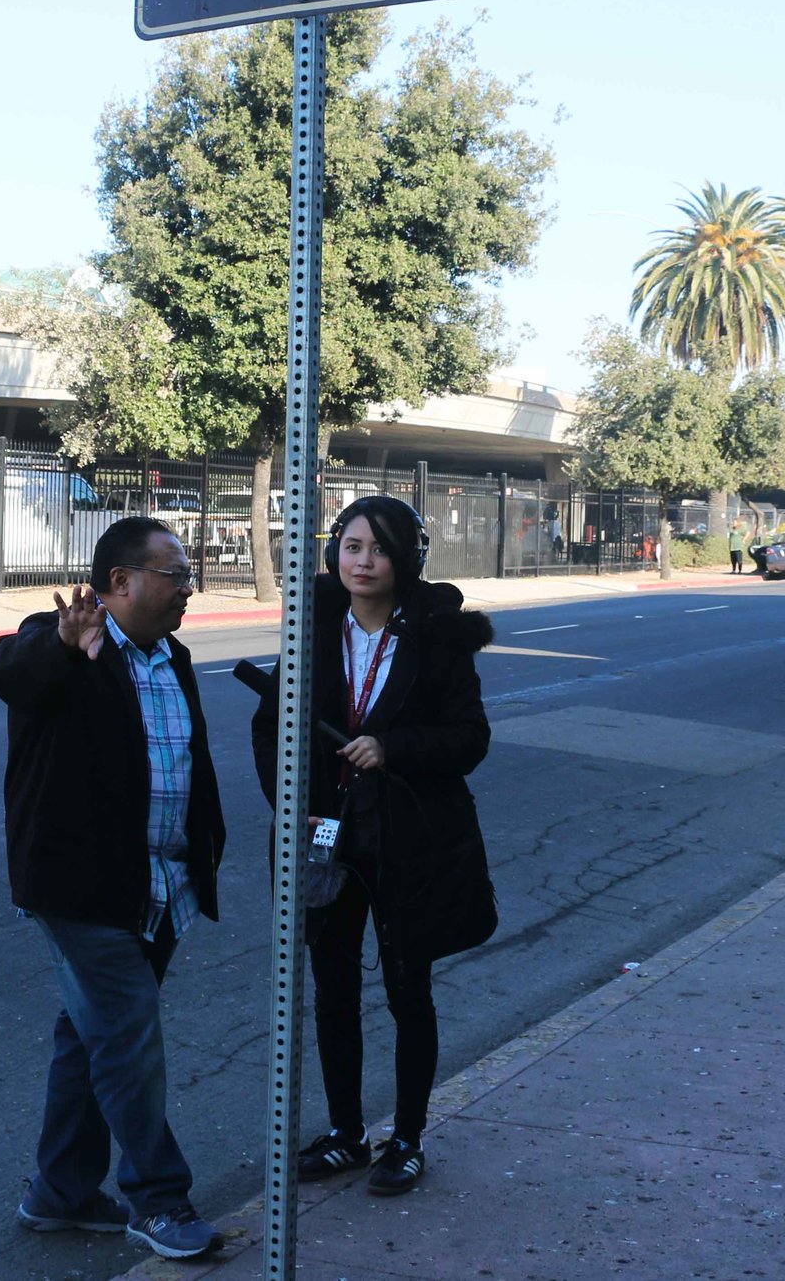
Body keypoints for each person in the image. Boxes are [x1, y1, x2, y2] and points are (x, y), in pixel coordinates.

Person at [0, 517, 228, 1262]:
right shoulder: (61, 642)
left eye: (189, 573)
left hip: (159, 884)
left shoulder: (172, 655)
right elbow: (11, 671)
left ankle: (58, 1191)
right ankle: (157, 1198)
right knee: (126, 1034)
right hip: (82, 888)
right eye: (175, 572)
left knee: (88, 1034)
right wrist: (62, 641)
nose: (189, 585)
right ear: (120, 582)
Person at [245, 495, 496, 1197]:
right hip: (325, 838)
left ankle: (408, 1137)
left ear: (407, 557)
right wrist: (292, 803)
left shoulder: (438, 636)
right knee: (332, 988)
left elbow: (470, 737)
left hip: (406, 838)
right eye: (351, 545)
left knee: (409, 989)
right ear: (335, 553)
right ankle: (347, 1132)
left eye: (379, 548)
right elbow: (270, 729)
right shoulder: (312, 628)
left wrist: (393, 747)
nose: (363, 561)